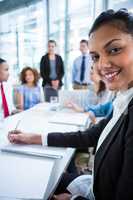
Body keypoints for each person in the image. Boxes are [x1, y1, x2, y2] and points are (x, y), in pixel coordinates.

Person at [8, 8, 133, 200]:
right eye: (95, 57)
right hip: (94, 184)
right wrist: (34, 138)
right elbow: (92, 135)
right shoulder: (123, 99)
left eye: (114, 49)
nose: (102, 65)